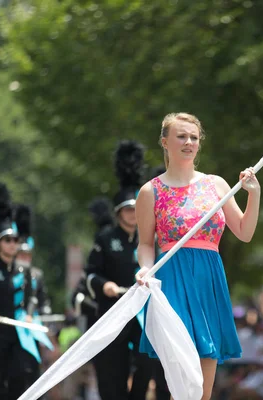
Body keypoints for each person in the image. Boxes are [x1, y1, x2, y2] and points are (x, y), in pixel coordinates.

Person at [135, 112, 261, 400]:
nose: (189, 142)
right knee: (181, 372)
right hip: (172, 279)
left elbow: (244, 231)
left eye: (193, 137)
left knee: (204, 380)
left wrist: (254, 194)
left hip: (209, 279)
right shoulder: (150, 191)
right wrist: (144, 269)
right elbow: (145, 244)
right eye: (181, 136)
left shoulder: (216, 185)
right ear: (165, 142)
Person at [85, 140, 170, 400]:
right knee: (112, 374)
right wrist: (104, 286)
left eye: (137, 208)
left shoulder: (154, 237)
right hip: (113, 313)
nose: (133, 214)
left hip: (145, 315)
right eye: (128, 210)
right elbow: (90, 274)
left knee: (147, 364)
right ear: (118, 212)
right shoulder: (105, 238)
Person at [0, 183, 51, 399]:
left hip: (21, 335)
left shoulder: (26, 272)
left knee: (20, 380)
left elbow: (31, 297)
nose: (13, 244)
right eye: (8, 240)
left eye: (15, 240)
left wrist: (31, 313)